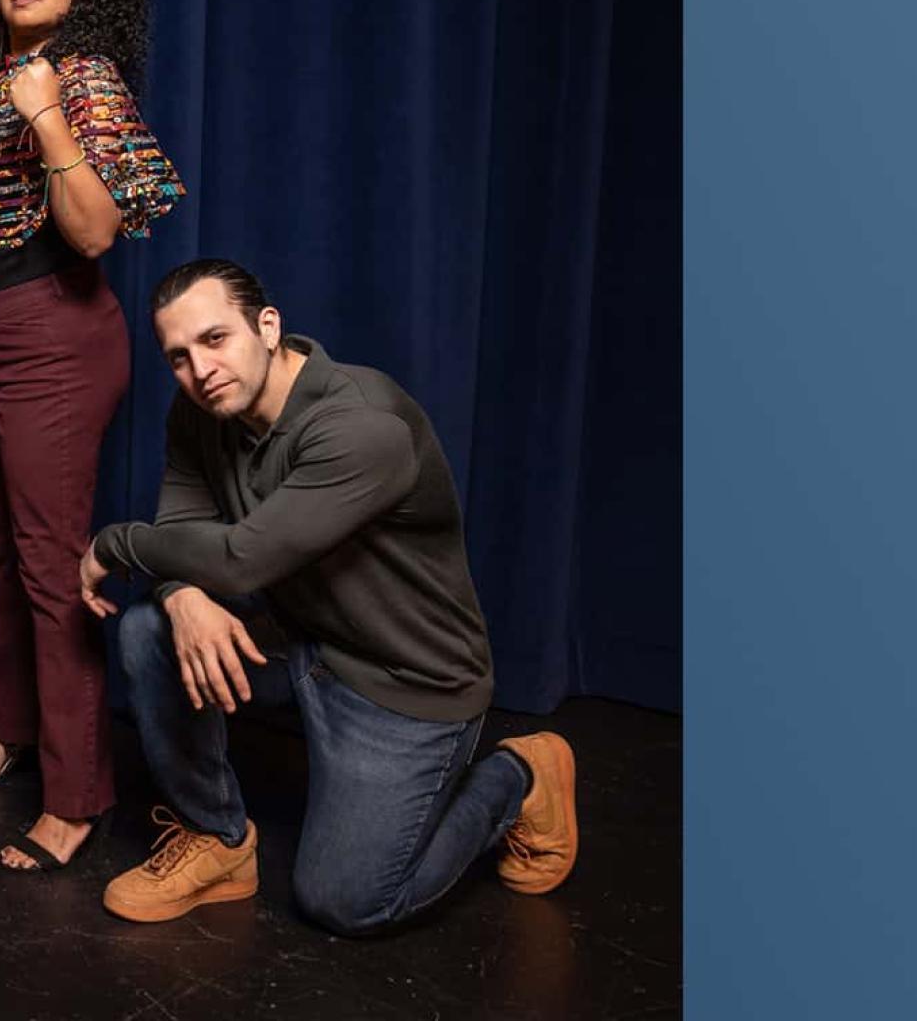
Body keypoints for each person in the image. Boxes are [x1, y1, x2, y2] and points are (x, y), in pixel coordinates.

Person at [80, 258, 580, 931]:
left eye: (215, 339)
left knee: (344, 902)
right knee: (151, 627)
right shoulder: (203, 411)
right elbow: (183, 531)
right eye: (178, 356)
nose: (199, 370)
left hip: (402, 682)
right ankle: (216, 838)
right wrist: (179, 595)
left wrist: (115, 543)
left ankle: (519, 777)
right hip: (298, 641)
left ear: (267, 326)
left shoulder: (362, 425)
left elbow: (239, 558)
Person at [0, 0, 185, 871]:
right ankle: (12, 728)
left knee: (48, 564)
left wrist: (45, 121)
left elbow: (92, 231)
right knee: (3, 552)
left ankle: (76, 795)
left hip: (51, 341)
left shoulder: (81, 77)